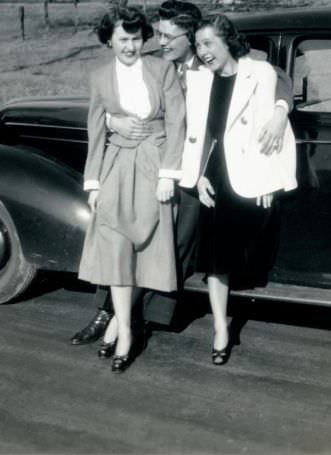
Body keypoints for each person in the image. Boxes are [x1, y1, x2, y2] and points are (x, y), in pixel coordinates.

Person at [69, 0, 294, 346]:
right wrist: (114, 120)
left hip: (192, 170)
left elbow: (274, 75)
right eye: (158, 34)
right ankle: (109, 312)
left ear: (191, 36)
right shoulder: (156, 66)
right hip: (152, 164)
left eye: (169, 36)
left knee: (174, 242)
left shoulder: (207, 62)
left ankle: (139, 317)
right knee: (122, 235)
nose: (161, 42)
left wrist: (280, 109)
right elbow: (121, 101)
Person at [179, 14, 297, 365]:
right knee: (216, 258)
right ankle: (220, 327)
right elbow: (194, 134)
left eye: (208, 44)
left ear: (228, 41)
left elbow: (284, 86)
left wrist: (279, 113)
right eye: (198, 45)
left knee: (246, 249)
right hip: (214, 174)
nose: (203, 52)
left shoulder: (258, 72)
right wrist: (196, 175)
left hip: (251, 172)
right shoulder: (199, 80)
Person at [77, 5, 185, 373]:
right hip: (115, 169)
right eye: (123, 39)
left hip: (153, 165)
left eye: (136, 38)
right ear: (110, 40)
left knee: (146, 248)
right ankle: (123, 330)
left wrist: (168, 174)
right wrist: (93, 183)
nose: (130, 46)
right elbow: (95, 132)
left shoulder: (162, 69)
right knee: (116, 252)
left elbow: (177, 120)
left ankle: (125, 325)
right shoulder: (99, 77)